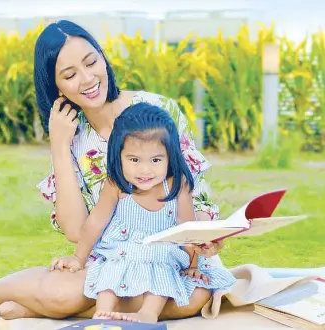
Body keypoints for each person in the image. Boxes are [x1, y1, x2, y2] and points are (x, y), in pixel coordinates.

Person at [0, 19, 325, 321]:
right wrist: (59, 145)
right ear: (55, 86)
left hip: (171, 256)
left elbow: (194, 195)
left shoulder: (159, 110)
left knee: (191, 299)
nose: (88, 79)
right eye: (70, 74)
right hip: (108, 260)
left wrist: (206, 239)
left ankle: (35, 307)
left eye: (91, 62)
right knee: (68, 291)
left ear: (102, 57)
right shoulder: (71, 137)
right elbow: (77, 232)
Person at [50, 102, 236, 323]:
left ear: (170, 157)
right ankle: (103, 313)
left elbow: (188, 230)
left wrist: (193, 265)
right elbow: (96, 222)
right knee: (109, 269)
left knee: (163, 263)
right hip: (123, 247)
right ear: (119, 156)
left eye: (156, 160)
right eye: (134, 160)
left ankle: (148, 313)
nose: (145, 170)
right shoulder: (116, 184)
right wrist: (78, 259)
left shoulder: (176, 185)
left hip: (162, 249)